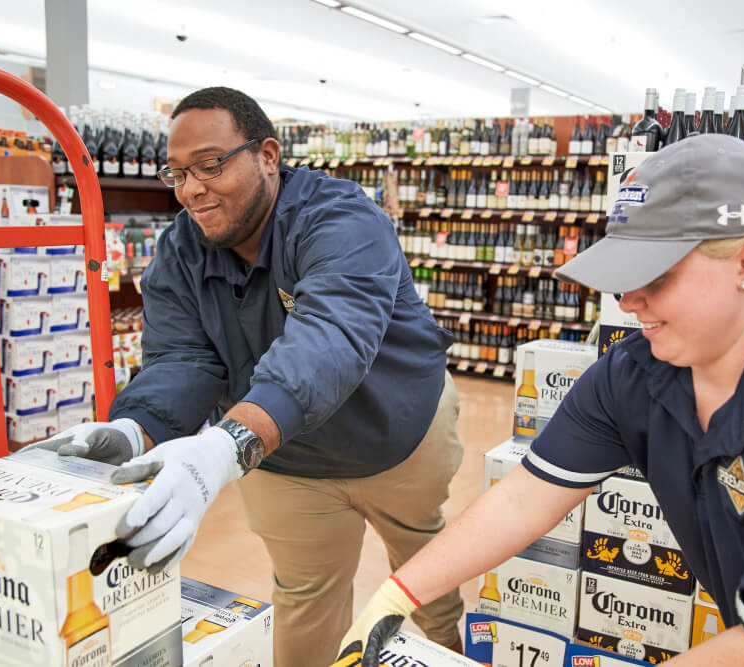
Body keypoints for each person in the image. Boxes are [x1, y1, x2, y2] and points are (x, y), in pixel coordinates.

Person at [340, 134, 744, 667]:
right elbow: (525, 500)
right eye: (621, 278)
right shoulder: (639, 371)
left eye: (656, 278)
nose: (630, 301)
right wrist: (394, 596)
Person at [32, 86, 464, 667]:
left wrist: (225, 446)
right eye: (177, 173)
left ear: (267, 155)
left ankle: (451, 646)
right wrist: (137, 428)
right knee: (305, 597)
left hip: (395, 434)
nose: (191, 189)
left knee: (425, 577)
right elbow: (183, 358)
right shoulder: (180, 250)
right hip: (282, 460)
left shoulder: (340, 219)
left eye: (210, 164)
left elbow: (331, 338)